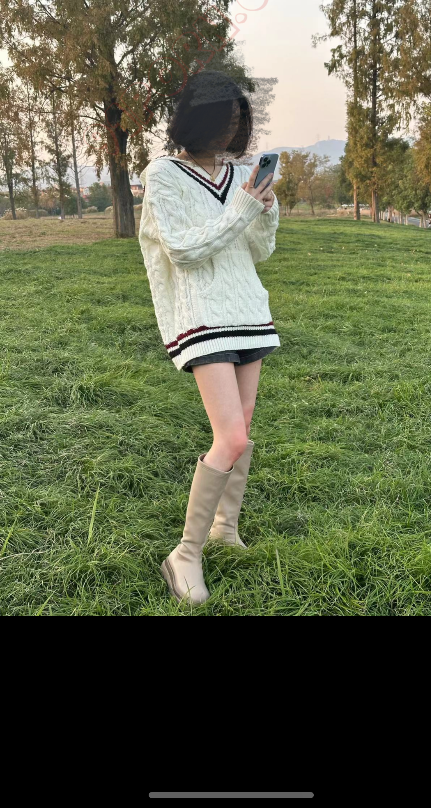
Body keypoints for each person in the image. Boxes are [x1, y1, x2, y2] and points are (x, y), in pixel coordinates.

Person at [138, 70, 280, 607]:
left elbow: (259, 252)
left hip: (248, 310)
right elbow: (182, 250)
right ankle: (185, 554)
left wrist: (265, 213)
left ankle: (225, 528)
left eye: (239, 121)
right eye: (225, 119)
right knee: (232, 438)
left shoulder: (240, 173)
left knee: (243, 427)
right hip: (202, 316)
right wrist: (242, 208)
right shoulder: (163, 173)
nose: (232, 131)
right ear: (198, 119)